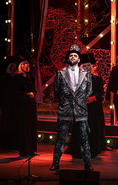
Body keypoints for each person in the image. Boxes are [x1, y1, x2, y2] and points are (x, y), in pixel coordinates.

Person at [50, 44, 93, 172]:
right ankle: (55, 163)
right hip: (65, 110)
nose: (73, 57)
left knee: (84, 138)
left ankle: (88, 163)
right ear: (68, 58)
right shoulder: (61, 73)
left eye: (75, 55)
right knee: (61, 138)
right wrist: (66, 100)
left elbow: (89, 91)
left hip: (80, 110)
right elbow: (57, 90)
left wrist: (80, 100)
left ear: (79, 59)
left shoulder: (86, 74)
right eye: (71, 55)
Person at [68, 54, 105, 158]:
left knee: (92, 129)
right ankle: (78, 152)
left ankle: (92, 151)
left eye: (88, 65)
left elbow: (101, 92)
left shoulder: (96, 79)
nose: (86, 68)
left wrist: (94, 97)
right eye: (84, 66)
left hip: (93, 109)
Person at [14, 59, 38, 157]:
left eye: (27, 63)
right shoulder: (17, 78)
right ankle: (24, 150)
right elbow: (14, 91)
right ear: (20, 66)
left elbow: (34, 89)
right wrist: (26, 94)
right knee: (24, 127)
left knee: (32, 125)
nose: (27, 65)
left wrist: (33, 94)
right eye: (24, 64)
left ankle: (32, 149)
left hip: (30, 104)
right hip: (22, 104)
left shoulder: (30, 77)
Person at [0, 60, 19, 151]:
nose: (13, 68)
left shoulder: (17, 78)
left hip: (16, 105)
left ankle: (15, 144)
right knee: (7, 124)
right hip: (8, 105)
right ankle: (6, 144)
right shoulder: (5, 78)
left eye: (14, 66)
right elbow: (3, 91)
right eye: (11, 66)